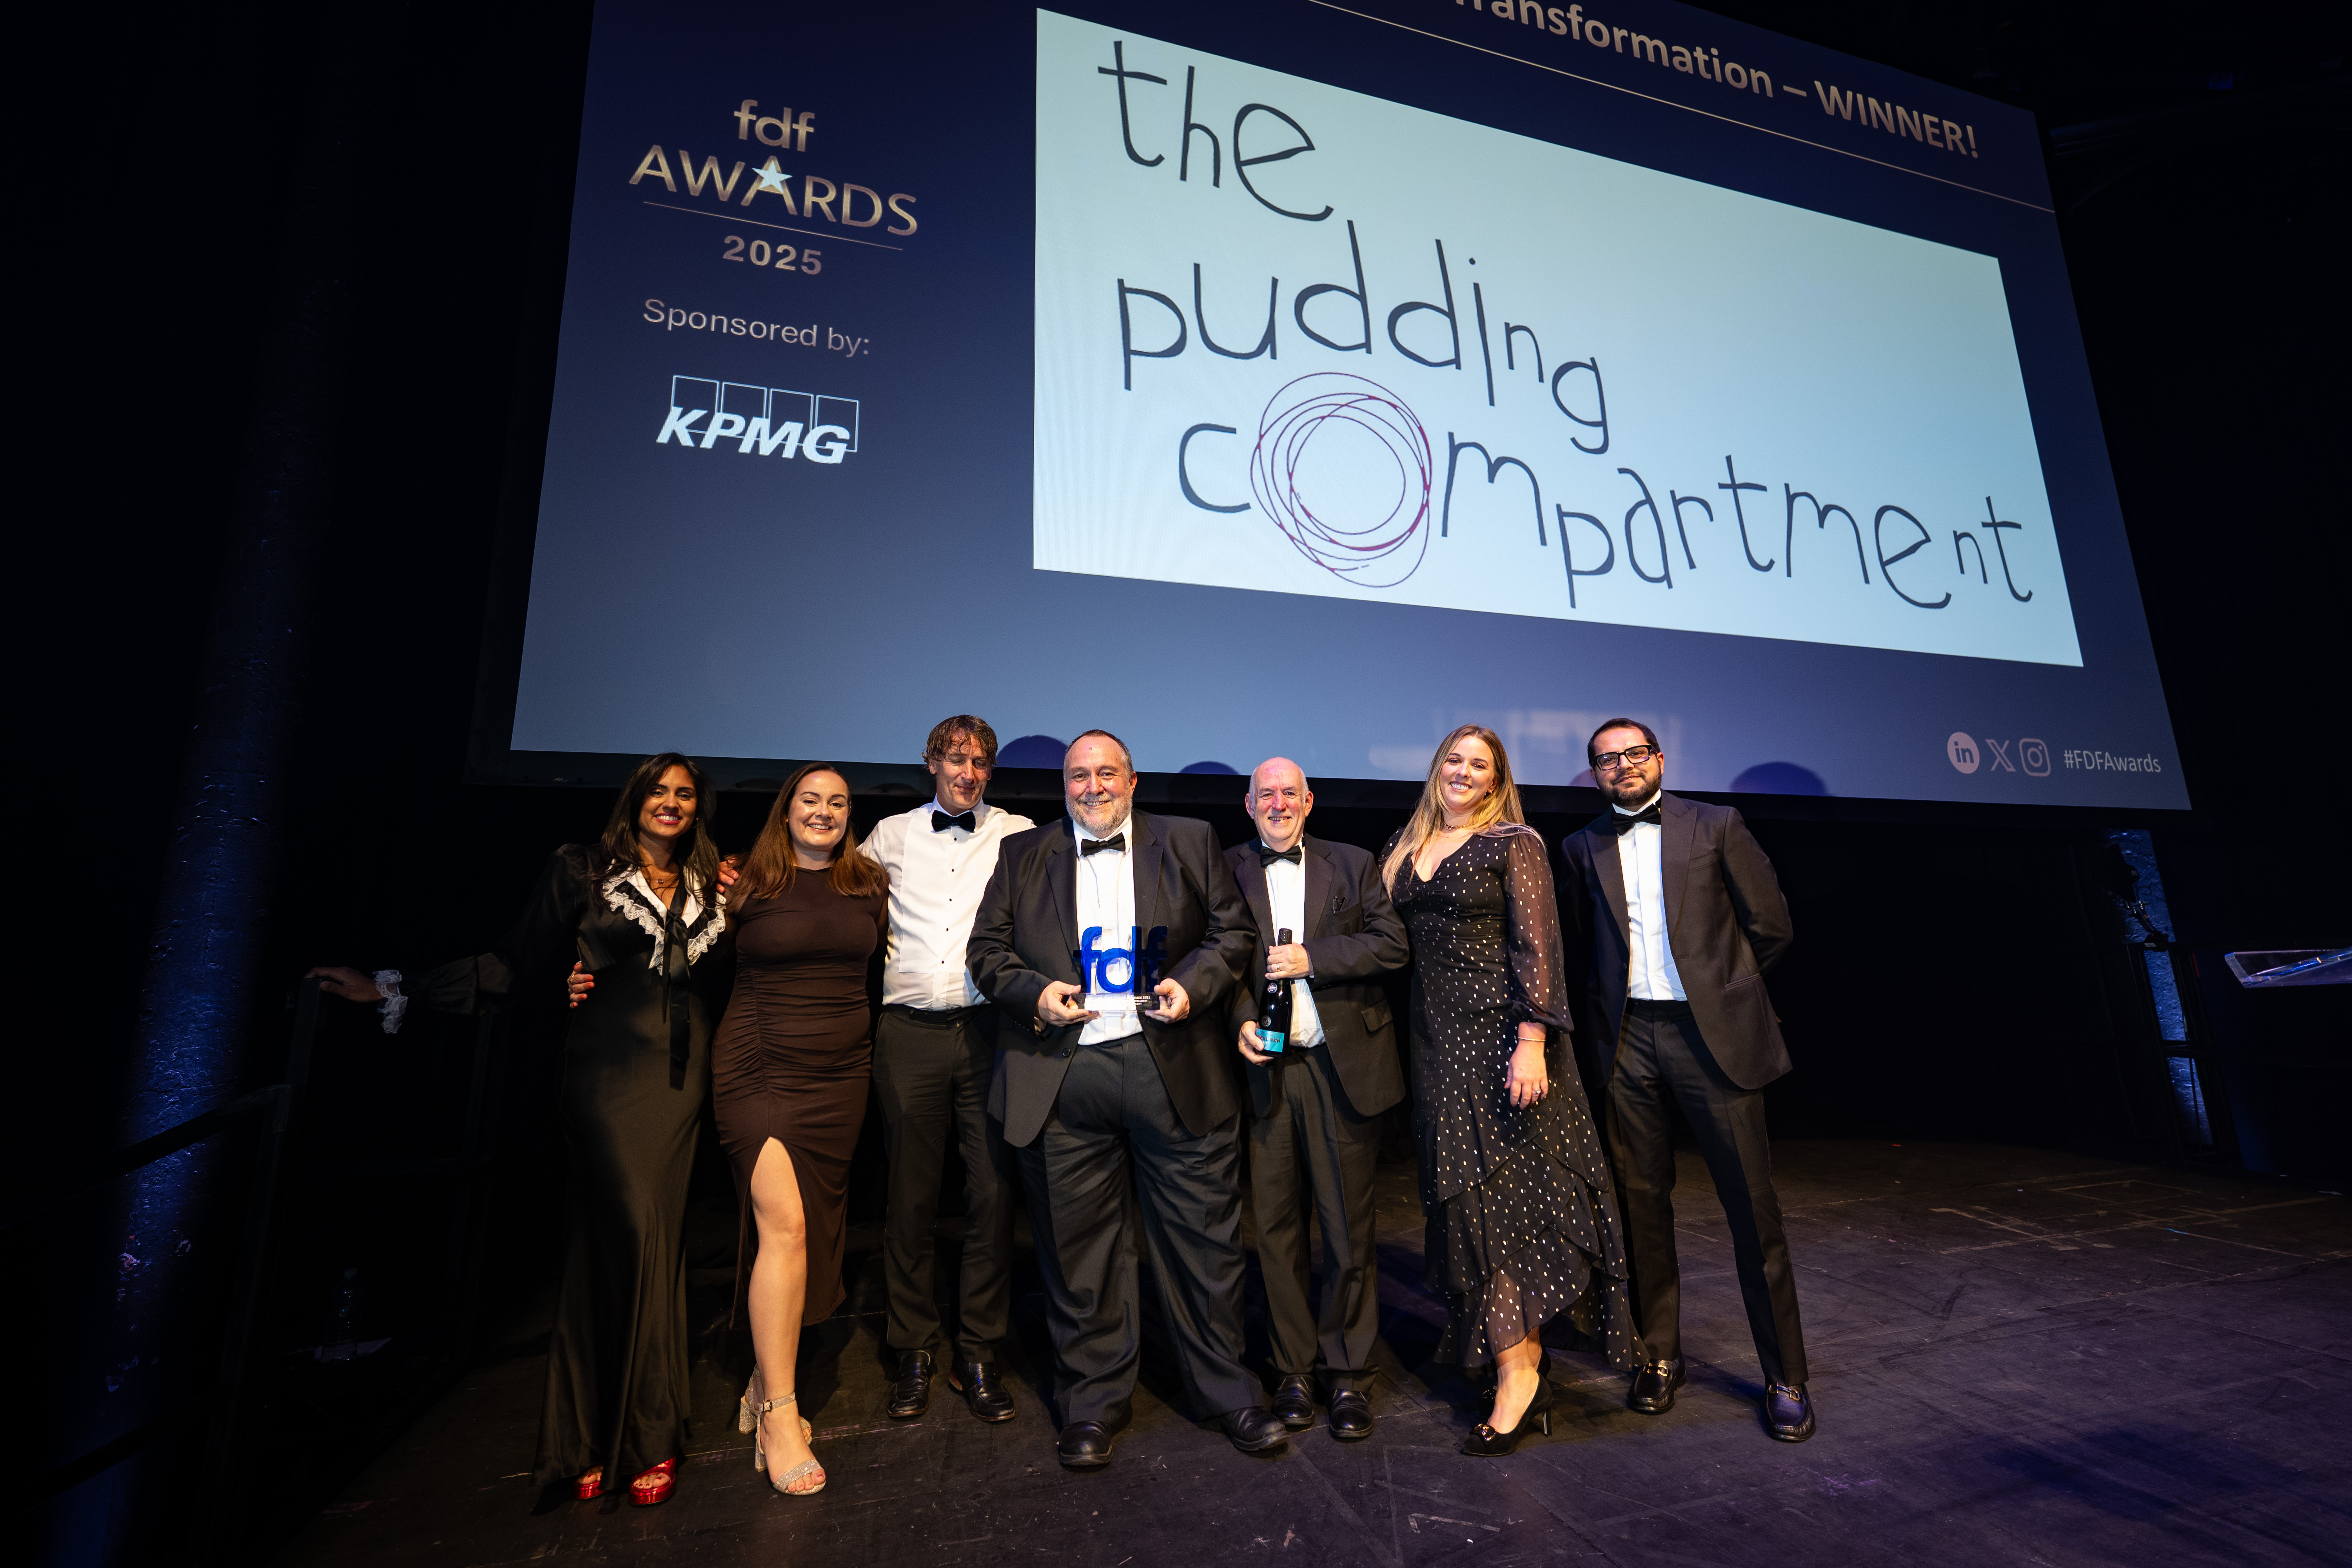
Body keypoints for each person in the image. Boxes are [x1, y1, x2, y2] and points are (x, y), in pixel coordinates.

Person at [307, 753, 727, 1508]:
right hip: (604, 1072)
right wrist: (392, 988)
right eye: (658, 791)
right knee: (620, 1234)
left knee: (653, 1237)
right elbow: (514, 960)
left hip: (681, 1075)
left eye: (685, 795)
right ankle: (593, 1434)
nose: (671, 803)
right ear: (634, 799)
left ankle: (644, 1434)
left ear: (700, 808)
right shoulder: (582, 869)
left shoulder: (711, 881)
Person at [965, 730, 1282, 1468]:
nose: (1094, 786)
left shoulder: (1189, 840)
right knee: (1080, 1254)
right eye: (1079, 776)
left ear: (1133, 781)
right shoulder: (1022, 854)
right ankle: (1092, 1404)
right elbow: (986, 953)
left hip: (1171, 1066)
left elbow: (1234, 934)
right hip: (1064, 1073)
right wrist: (1035, 994)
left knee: (1204, 1244)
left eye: (1107, 773)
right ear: (1064, 786)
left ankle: (1228, 1392)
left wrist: (1192, 986)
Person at [1382, 724, 1637, 1457]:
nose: (1463, 773)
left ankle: (1518, 1373)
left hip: (1504, 1043)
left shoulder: (1514, 844)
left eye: (1480, 765)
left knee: (1502, 1208)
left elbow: (1539, 945)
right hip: (1436, 1047)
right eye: (1454, 760)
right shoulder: (1404, 845)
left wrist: (1532, 1041)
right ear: (1437, 768)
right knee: (1465, 1206)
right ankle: (1517, 1355)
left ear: (1496, 781)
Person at [1555, 719, 1813, 1441]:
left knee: (1753, 1212)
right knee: (1642, 1209)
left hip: (1712, 1037)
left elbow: (1772, 926)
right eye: (1607, 760)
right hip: (1627, 1040)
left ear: (1660, 759)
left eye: (1634, 753)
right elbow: (1578, 948)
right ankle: (1660, 1357)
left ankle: (1786, 1375)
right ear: (1596, 774)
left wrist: (1724, 994)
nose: (1623, 766)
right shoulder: (1579, 848)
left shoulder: (1717, 824)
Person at [712, 762, 889, 1497]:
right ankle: (780, 1416)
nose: (824, 812)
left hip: (841, 1077)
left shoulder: (869, 884)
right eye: (810, 800)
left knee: (810, 1231)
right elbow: (679, 957)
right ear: (786, 811)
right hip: (759, 1068)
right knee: (783, 1226)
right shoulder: (743, 882)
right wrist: (585, 979)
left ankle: (763, 1378)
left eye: (838, 803)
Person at [855, 716, 1033, 1423]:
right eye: (957, 759)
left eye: (981, 762)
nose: (969, 772)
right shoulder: (890, 835)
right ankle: (913, 1349)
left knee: (992, 1195)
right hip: (908, 1033)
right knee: (910, 1198)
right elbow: (826, 883)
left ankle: (980, 1350)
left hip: (989, 1031)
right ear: (930, 762)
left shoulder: (1018, 834)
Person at [1226, 758, 1408, 1440]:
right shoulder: (1223, 867)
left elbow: (1392, 945)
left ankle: (1350, 1374)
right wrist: (1238, 1018)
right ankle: (1293, 1372)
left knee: (1347, 1230)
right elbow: (1215, 959)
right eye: (1266, 794)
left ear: (1309, 801)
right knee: (1274, 1232)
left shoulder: (1354, 863)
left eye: (1289, 793)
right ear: (1249, 805)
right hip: (1267, 1071)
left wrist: (1314, 958)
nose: (1278, 804)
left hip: (1341, 1068)